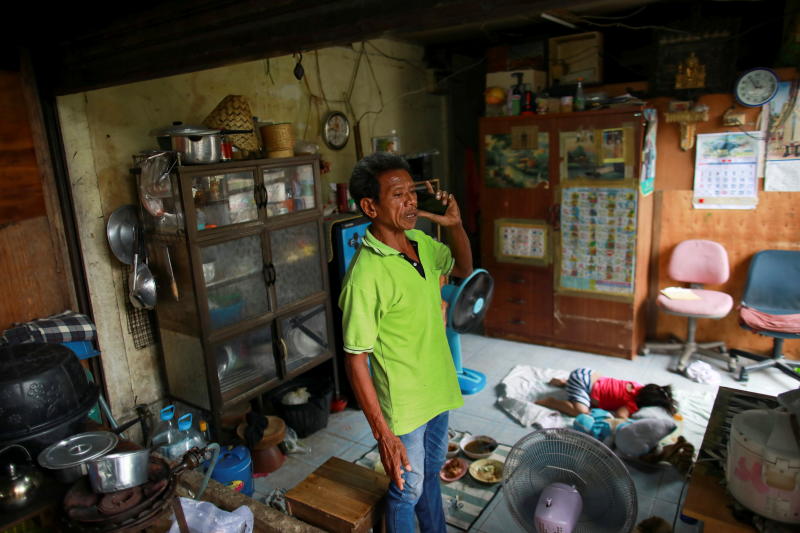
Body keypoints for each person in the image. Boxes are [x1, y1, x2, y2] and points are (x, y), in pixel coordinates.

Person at [339, 152, 472, 533]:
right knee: (406, 489)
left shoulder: (422, 243)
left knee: (431, 475)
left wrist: (457, 225)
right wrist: (384, 435)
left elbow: (462, 268)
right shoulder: (365, 276)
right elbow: (356, 361)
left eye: (411, 193)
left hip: (437, 386)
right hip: (404, 404)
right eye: (397, 195)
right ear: (370, 206)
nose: (411, 202)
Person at [535, 367, 677, 419]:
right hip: (582, 384)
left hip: (587, 372)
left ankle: (564, 383)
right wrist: (629, 420)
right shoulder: (632, 404)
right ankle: (551, 401)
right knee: (581, 411)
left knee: (590, 393)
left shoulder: (637, 385)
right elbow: (620, 415)